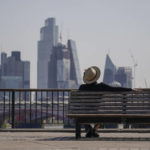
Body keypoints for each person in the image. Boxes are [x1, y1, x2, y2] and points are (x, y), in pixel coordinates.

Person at [78, 66, 135, 138]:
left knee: (82, 112)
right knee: (103, 112)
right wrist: (129, 89)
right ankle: (94, 130)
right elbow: (114, 89)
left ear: (86, 78)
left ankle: (89, 129)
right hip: (97, 112)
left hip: (84, 112)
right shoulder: (101, 86)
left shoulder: (82, 87)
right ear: (96, 76)